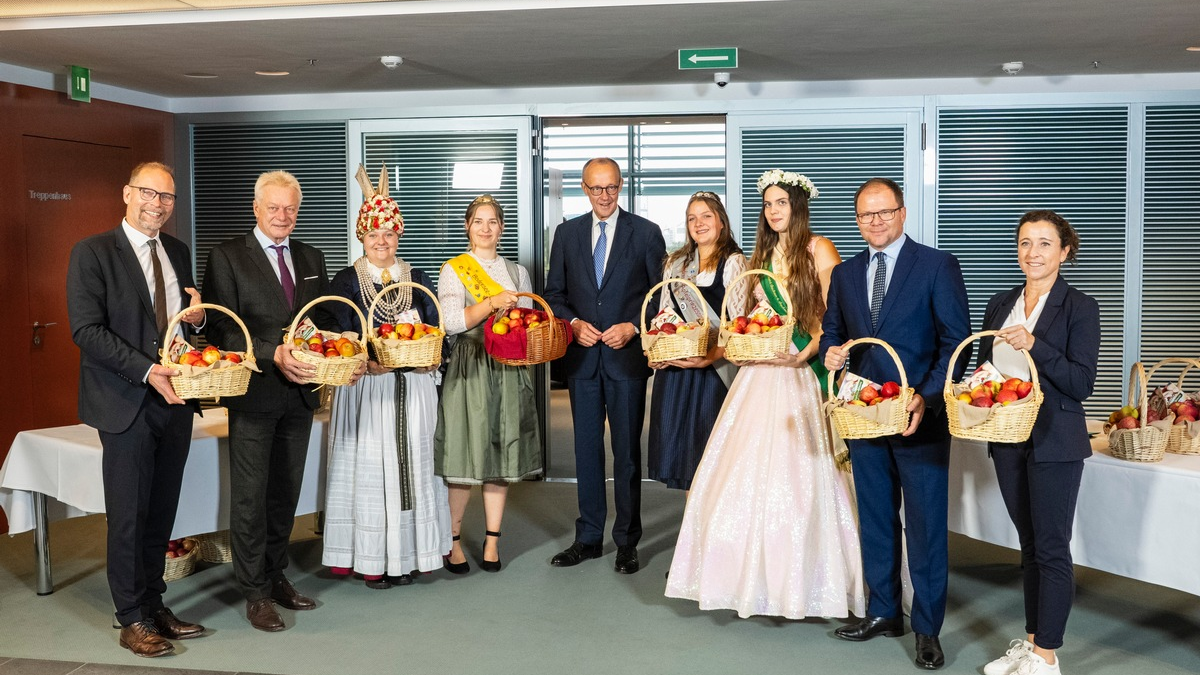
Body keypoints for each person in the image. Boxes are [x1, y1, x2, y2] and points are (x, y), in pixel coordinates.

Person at [665, 171, 865, 620]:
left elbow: (833, 317)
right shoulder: (761, 253)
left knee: (806, 476)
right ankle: (746, 580)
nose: (774, 211)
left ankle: (813, 582)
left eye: (781, 203)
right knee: (740, 472)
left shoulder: (819, 248)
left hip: (801, 369)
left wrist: (808, 352)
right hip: (761, 370)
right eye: (768, 204)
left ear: (798, 206)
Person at [820, 177, 971, 670]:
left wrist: (925, 398)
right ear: (858, 221)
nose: (876, 222)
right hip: (864, 417)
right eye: (866, 215)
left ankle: (927, 628)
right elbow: (833, 334)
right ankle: (884, 612)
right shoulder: (845, 274)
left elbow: (956, 344)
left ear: (903, 214)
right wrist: (832, 353)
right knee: (877, 520)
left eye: (885, 212)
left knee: (924, 529)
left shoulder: (937, 265)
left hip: (919, 421)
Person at [203, 170, 361, 632]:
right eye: (273, 207)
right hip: (254, 394)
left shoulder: (312, 256)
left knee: (285, 494)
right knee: (250, 497)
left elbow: (319, 320)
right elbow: (223, 328)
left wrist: (344, 340)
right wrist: (274, 350)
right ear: (256, 208)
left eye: (290, 208)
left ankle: (275, 577)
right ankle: (254, 592)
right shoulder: (228, 256)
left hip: (302, 393)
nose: (282, 216)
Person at [66, 161, 207, 657]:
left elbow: (181, 331)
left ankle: (153, 604)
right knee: (129, 514)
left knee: (161, 512)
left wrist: (197, 321)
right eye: (149, 193)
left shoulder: (178, 251)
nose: (158, 204)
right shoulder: (93, 252)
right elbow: (86, 331)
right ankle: (130, 618)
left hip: (176, 402)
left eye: (167, 197)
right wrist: (148, 371)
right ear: (127, 193)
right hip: (126, 401)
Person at [976, 212, 1100, 675]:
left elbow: (1081, 382)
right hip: (1007, 437)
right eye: (1025, 243)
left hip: (1055, 441)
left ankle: (1048, 656)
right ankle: (1031, 643)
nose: (1033, 253)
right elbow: (984, 367)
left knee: (1051, 547)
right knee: (1028, 546)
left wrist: (1034, 345)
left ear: (1065, 251)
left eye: (1045, 244)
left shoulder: (1081, 307)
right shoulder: (1000, 301)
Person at [322, 169, 451, 588]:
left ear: (399, 235)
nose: (383, 241)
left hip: (413, 388)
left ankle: (411, 554)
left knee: (413, 466)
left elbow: (436, 329)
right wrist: (365, 360)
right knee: (371, 468)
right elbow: (339, 334)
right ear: (362, 236)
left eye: (390, 233)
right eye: (374, 233)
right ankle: (371, 558)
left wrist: (434, 357)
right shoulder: (345, 280)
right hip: (369, 392)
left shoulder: (417, 277)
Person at [544, 157, 667, 574]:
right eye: (596, 188)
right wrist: (574, 323)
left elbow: (660, 298)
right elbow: (554, 295)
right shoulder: (566, 233)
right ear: (584, 188)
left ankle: (627, 541)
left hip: (626, 360)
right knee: (585, 450)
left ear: (621, 186)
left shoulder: (646, 233)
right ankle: (589, 536)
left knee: (627, 454)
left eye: (611, 187)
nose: (604, 196)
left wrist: (634, 327)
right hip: (582, 361)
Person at [434, 194, 542, 573]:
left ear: (502, 227)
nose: (485, 228)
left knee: (500, 454)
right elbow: (450, 323)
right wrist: (491, 303)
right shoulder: (454, 269)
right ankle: (453, 540)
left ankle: (493, 540)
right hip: (470, 366)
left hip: (508, 367)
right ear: (468, 226)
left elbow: (528, 326)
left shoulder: (517, 272)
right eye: (478, 221)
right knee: (464, 454)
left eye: (492, 221)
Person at [646, 191, 746, 491]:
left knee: (713, 458)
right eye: (692, 218)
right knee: (685, 459)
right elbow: (663, 315)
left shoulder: (734, 262)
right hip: (677, 370)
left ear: (721, 222)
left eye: (706, 216)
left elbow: (737, 324)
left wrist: (711, 356)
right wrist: (654, 350)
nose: (698, 223)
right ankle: (693, 533)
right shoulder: (676, 264)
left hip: (713, 373)